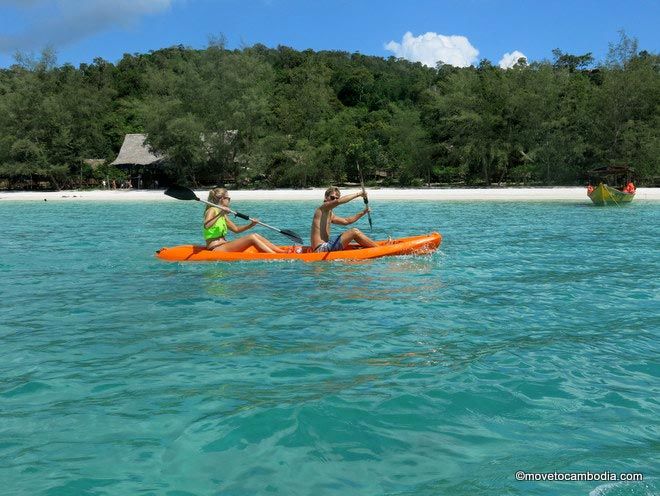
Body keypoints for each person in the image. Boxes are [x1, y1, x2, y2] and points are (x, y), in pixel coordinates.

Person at [204, 187, 286, 253]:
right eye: (228, 198)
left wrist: (251, 225)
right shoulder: (212, 210)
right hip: (215, 248)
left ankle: (281, 252)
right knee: (252, 238)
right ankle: (274, 255)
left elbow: (236, 230)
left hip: (224, 245)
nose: (229, 200)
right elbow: (206, 225)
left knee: (256, 235)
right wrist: (220, 214)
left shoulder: (222, 214)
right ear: (222, 199)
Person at [311, 187, 377, 252]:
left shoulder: (330, 214)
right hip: (321, 249)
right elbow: (339, 201)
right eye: (332, 197)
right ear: (326, 197)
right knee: (354, 231)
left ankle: (372, 245)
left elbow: (346, 221)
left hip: (326, 245)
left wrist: (363, 212)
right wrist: (359, 194)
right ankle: (378, 248)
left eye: (336, 198)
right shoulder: (322, 208)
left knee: (353, 235)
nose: (334, 200)